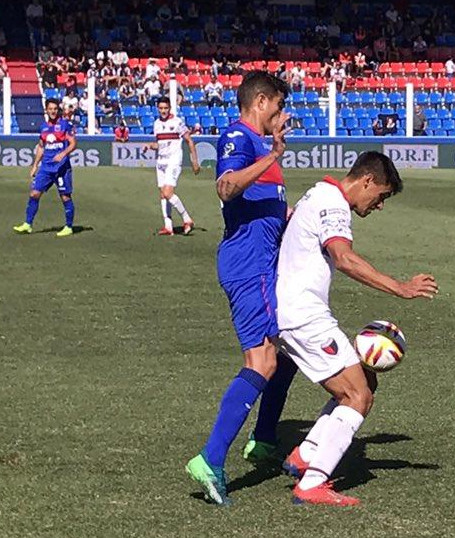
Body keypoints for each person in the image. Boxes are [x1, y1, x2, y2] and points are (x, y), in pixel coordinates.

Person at [275, 152, 438, 505]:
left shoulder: (319, 193)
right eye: (380, 195)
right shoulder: (333, 204)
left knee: (367, 380)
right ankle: (312, 483)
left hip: (295, 311)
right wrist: (400, 287)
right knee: (358, 396)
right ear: (366, 181)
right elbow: (344, 258)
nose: (379, 205)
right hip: (303, 316)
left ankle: (305, 454)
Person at [184, 71, 297, 506]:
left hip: (264, 265)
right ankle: (210, 458)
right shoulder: (240, 136)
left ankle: (265, 439)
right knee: (263, 360)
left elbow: (271, 213)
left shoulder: (264, 149)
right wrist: (271, 156)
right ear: (262, 101)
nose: (282, 115)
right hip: (249, 265)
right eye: (279, 106)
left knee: (284, 355)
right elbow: (226, 187)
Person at [12, 99, 77, 237]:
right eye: (50, 109)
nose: (52, 111)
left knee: (65, 197)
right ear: (46, 110)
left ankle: (69, 227)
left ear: (57, 110)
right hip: (46, 167)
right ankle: (28, 225)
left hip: (61, 168)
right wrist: (35, 165)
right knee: (34, 194)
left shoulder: (64, 125)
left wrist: (63, 154)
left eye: (55, 109)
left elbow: (73, 143)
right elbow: (41, 146)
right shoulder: (43, 127)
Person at [144, 98, 200, 235]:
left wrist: (194, 161)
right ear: (158, 109)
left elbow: (189, 141)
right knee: (163, 194)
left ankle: (187, 219)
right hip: (161, 162)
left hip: (173, 160)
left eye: (165, 108)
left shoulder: (177, 123)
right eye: (161, 108)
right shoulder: (156, 124)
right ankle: (168, 227)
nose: (163, 111)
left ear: (169, 108)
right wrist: (150, 146)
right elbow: (160, 144)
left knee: (168, 192)